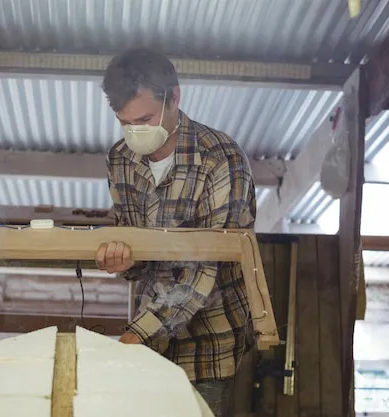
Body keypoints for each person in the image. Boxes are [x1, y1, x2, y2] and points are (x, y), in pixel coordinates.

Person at [94, 47, 256, 417]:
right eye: (125, 122)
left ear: (175, 97)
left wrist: (139, 334)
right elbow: (135, 248)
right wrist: (120, 261)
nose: (136, 131)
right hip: (149, 339)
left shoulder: (221, 158)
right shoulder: (120, 158)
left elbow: (207, 268)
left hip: (209, 344)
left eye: (146, 118)